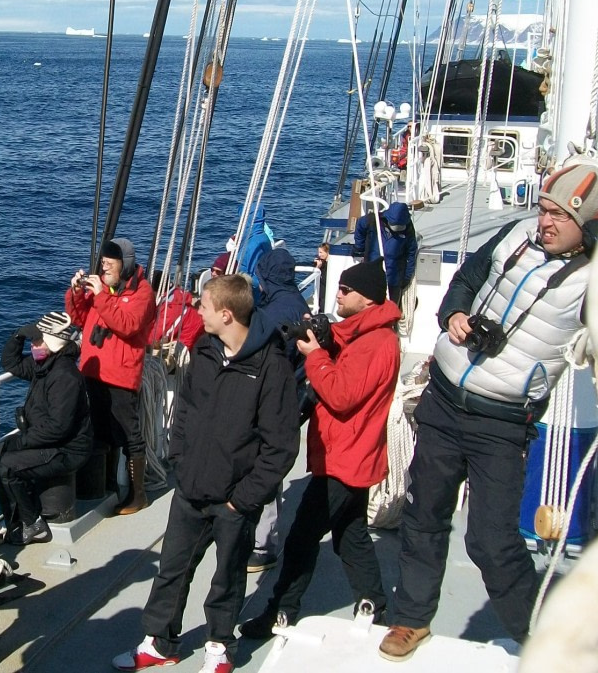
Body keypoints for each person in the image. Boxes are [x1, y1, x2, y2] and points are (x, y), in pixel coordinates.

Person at [379, 162, 598, 662]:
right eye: (543, 208)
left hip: (501, 422)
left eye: (558, 215)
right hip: (444, 399)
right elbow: (467, 278)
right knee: (424, 514)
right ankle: (411, 618)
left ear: (586, 225)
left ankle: (544, 640)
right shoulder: (517, 233)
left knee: (492, 541)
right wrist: (454, 314)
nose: (544, 221)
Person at [111, 274, 299, 673]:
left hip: (234, 497)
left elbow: (280, 445)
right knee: (172, 569)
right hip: (191, 488)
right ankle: (159, 642)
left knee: (227, 577)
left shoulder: (270, 366)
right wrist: (179, 460)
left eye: (203, 306)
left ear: (226, 314)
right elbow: (185, 412)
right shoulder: (205, 350)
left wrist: (244, 497)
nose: (198, 310)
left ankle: (218, 646)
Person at [240, 258, 400, 639]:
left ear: (368, 299)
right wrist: (322, 335)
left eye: (346, 290)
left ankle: (281, 610)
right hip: (354, 455)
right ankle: (374, 603)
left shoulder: (377, 344)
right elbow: (346, 340)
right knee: (351, 534)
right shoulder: (371, 333)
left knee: (301, 539)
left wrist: (315, 355)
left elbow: (341, 395)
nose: (338, 293)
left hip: (346, 458)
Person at [67, 238, 156, 516]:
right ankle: (106, 486)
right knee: (100, 431)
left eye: (110, 263)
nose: (104, 267)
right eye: (102, 263)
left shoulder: (142, 293)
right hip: (93, 373)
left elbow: (127, 325)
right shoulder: (103, 288)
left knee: (129, 435)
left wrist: (101, 296)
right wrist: (76, 293)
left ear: (125, 265)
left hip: (120, 376)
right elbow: (79, 317)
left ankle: (137, 493)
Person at [0, 311, 93, 545]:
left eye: (38, 341)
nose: (34, 345)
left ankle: (34, 525)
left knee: (7, 466)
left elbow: (58, 428)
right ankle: (18, 522)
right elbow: (11, 363)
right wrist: (18, 335)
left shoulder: (64, 375)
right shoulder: (45, 365)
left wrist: (20, 441)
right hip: (51, 442)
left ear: (52, 343)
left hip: (68, 450)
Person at [247, 247, 311, 574]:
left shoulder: (272, 315)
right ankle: (264, 536)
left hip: (273, 401)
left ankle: (262, 544)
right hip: (291, 396)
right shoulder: (298, 305)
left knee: (264, 469)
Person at [353, 202, 418, 303]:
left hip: (394, 279)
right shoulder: (372, 221)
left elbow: (411, 253)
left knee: (389, 311)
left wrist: (406, 278)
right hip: (372, 277)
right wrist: (359, 248)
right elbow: (360, 226)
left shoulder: (408, 229)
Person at [147, 270, 204, 353]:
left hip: (189, 346)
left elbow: (154, 336)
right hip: (181, 335)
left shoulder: (172, 308)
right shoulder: (174, 295)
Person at [313, 242, 330, 310]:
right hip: (321, 291)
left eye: (321, 252)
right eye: (318, 252)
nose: (319, 255)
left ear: (327, 252)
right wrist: (317, 267)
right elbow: (312, 276)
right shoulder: (319, 262)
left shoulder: (331, 264)